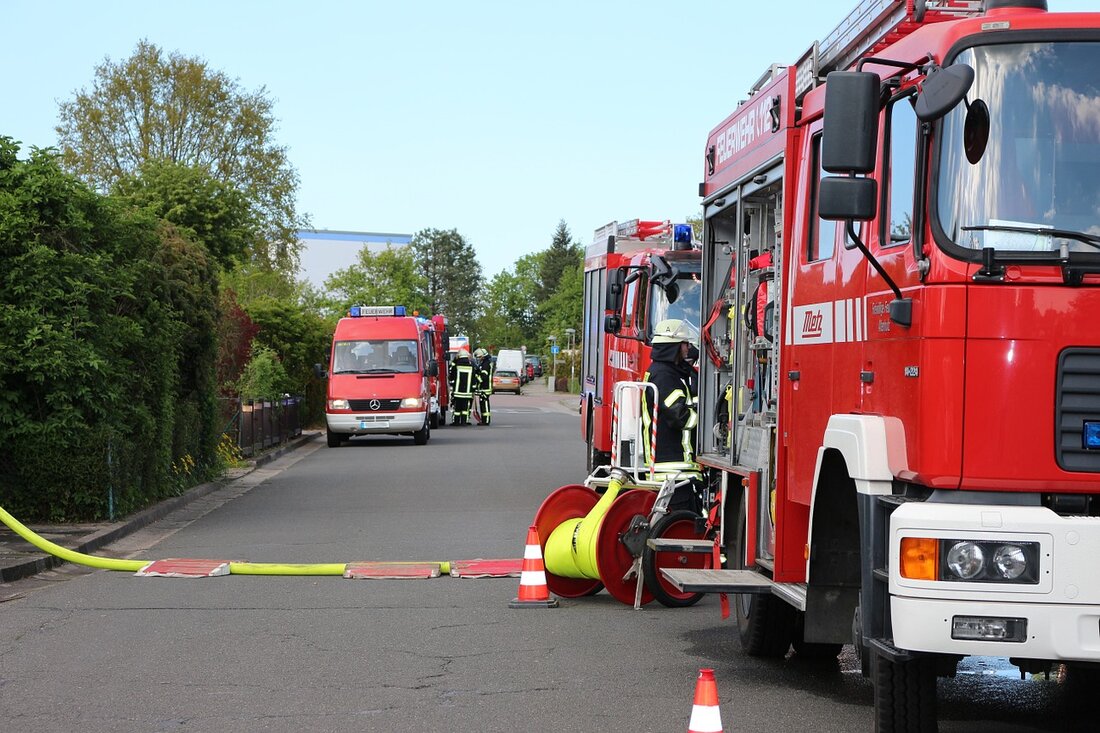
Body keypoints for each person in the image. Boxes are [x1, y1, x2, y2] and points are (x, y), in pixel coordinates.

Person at [641, 319, 703, 513]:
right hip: (671, 469)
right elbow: (680, 417)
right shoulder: (664, 376)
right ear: (674, 346)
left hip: (676, 469)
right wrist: (708, 422)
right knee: (681, 525)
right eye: (685, 344)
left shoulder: (672, 373)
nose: (688, 349)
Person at [449, 347, 475, 425]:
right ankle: (464, 422)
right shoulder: (471, 366)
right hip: (467, 392)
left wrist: (452, 384)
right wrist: (473, 389)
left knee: (457, 408)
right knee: (465, 408)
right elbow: (473, 378)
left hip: (457, 391)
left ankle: (456, 422)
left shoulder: (456, 365)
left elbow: (451, 375)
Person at [473, 348, 493, 426]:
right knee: (482, 404)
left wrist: (476, 378)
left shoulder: (486, 364)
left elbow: (483, 377)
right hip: (483, 388)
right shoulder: (484, 363)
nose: (479, 358)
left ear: (483, 356)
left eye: (479, 357)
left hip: (485, 388)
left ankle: (486, 420)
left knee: (484, 404)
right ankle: (484, 419)